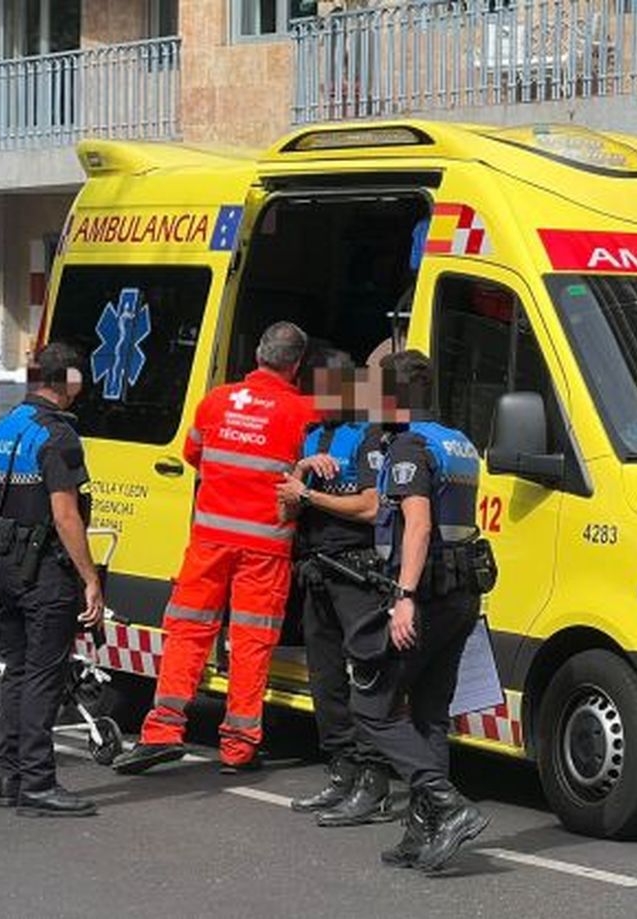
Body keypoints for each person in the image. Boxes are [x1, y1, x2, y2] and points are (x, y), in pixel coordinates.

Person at [112, 321, 315, 775]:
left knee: (186, 632)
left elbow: (193, 454)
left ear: (258, 353)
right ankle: (240, 746)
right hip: (264, 548)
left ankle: (161, 730)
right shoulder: (303, 412)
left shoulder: (216, 401)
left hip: (209, 542)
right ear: (296, 364)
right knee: (251, 642)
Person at [354, 349, 491, 873]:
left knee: (373, 706)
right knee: (431, 712)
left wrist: (404, 597)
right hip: (461, 593)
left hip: (427, 593)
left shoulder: (410, 446)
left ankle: (448, 806)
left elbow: (418, 525)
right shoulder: (457, 441)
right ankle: (423, 829)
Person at [0, 342, 104, 817]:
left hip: (6, 562)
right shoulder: (59, 437)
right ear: (69, 382)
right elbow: (66, 515)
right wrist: (89, 577)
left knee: (15, 671)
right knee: (43, 677)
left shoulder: (8, 425)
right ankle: (38, 784)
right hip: (45, 567)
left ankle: (11, 778)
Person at [275, 350, 396, 827]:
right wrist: (302, 473)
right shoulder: (311, 437)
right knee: (326, 682)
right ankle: (341, 773)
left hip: (356, 573)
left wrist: (309, 494)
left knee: (366, 678)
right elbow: (285, 512)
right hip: (316, 571)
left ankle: (375, 782)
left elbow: (370, 506)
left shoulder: (368, 437)